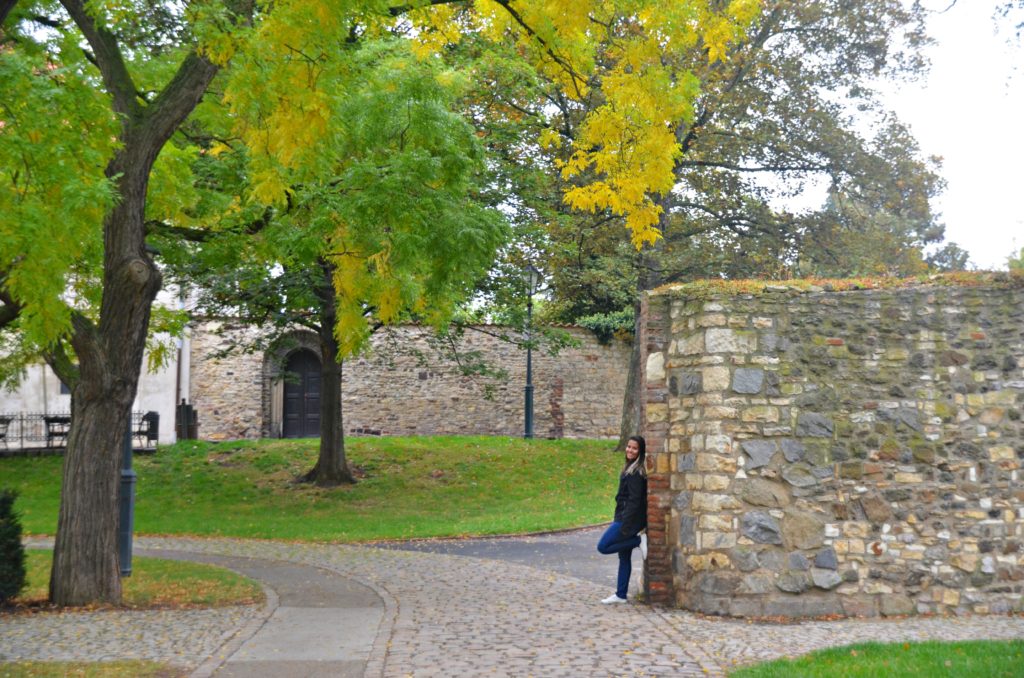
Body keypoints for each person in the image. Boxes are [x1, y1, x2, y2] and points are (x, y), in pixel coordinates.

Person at [596, 435, 648, 604]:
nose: (630, 450)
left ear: (640, 451)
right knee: (623, 557)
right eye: (629, 447)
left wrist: (625, 525)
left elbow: (634, 501)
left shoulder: (636, 472)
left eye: (634, 448)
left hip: (627, 520)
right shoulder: (629, 468)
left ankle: (638, 541)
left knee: (603, 546)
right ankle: (621, 594)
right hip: (623, 516)